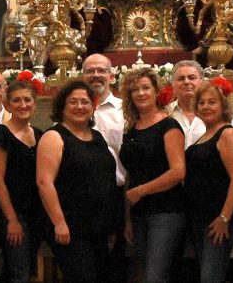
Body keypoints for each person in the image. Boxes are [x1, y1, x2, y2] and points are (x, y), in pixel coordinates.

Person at [37, 79, 118, 283]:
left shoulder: (97, 137)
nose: (80, 107)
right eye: (73, 102)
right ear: (62, 106)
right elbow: (44, 182)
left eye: (85, 102)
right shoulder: (54, 137)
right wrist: (59, 222)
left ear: (93, 107)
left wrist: (110, 225)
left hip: (98, 227)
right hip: (71, 227)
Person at [119, 67, 186, 283]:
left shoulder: (169, 125)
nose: (140, 93)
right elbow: (131, 173)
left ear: (156, 91)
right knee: (142, 274)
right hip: (139, 214)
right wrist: (128, 218)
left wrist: (141, 191)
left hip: (165, 212)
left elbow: (178, 172)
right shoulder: (131, 129)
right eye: (134, 90)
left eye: (146, 88)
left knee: (155, 276)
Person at [184, 79, 233, 283]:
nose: (206, 107)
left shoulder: (227, 133)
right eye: (201, 102)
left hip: (217, 219)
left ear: (223, 106)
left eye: (212, 102)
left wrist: (224, 218)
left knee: (211, 277)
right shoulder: (204, 135)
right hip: (201, 217)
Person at [0, 80, 44, 283]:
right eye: (16, 100)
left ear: (34, 104)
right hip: (12, 215)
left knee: (19, 272)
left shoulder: (39, 134)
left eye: (27, 100)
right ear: (8, 105)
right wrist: (12, 220)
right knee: (19, 273)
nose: (23, 104)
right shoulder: (1, 134)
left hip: (34, 213)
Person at [82, 53, 126, 282]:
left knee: (116, 261)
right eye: (90, 71)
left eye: (101, 70)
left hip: (117, 195)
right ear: (82, 75)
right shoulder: (74, 109)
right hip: (83, 197)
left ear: (112, 75)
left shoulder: (124, 110)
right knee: (89, 262)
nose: (96, 75)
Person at [170, 60, 233, 149]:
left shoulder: (217, 114)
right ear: (173, 84)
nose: (186, 82)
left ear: (201, 81)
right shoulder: (166, 113)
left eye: (192, 78)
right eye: (181, 79)